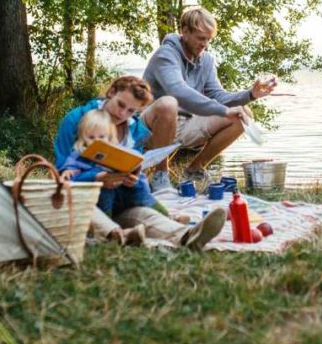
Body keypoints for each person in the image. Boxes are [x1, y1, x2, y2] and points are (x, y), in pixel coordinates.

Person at [53, 75, 225, 249]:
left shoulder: (133, 129)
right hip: (85, 202)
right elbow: (62, 176)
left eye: (131, 111)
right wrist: (97, 178)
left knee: (147, 215)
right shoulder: (77, 119)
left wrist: (132, 177)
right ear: (111, 92)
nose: (122, 114)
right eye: (120, 104)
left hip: (119, 202)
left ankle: (187, 235)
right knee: (82, 206)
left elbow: (132, 164)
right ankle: (116, 235)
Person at [142, 6, 277, 189]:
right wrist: (223, 110)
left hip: (186, 124)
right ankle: (160, 175)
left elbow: (217, 95)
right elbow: (178, 91)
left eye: (208, 39)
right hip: (151, 128)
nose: (205, 44)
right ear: (184, 31)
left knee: (242, 114)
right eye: (201, 38)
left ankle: (194, 170)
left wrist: (251, 95)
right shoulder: (166, 54)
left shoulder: (206, 60)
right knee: (168, 104)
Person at [57, 110, 153, 245]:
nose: (97, 142)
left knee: (140, 182)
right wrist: (67, 171)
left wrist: (132, 174)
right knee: (106, 188)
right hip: (92, 200)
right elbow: (70, 168)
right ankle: (110, 230)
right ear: (83, 137)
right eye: (91, 137)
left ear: (109, 137)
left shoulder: (114, 152)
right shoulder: (79, 153)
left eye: (101, 137)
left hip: (120, 200)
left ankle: (161, 212)